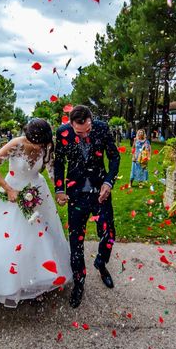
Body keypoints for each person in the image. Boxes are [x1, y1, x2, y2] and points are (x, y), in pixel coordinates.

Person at [0, 119, 71, 316]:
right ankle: (10, 283)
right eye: (34, 142)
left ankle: (38, 281)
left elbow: (52, 169)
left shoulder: (47, 145)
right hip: (13, 193)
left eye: (41, 142)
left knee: (40, 237)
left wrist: (59, 192)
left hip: (38, 192)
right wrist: (8, 189)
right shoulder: (16, 144)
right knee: (12, 239)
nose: (38, 146)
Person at [54, 105, 120, 308]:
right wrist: (59, 189)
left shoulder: (102, 128)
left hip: (100, 191)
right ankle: (79, 281)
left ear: (92, 121)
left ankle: (101, 263)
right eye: (78, 132)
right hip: (76, 193)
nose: (83, 135)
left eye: (87, 131)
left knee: (108, 234)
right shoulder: (62, 132)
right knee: (76, 240)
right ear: (71, 124)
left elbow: (115, 157)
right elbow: (59, 162)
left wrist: (109, 183)